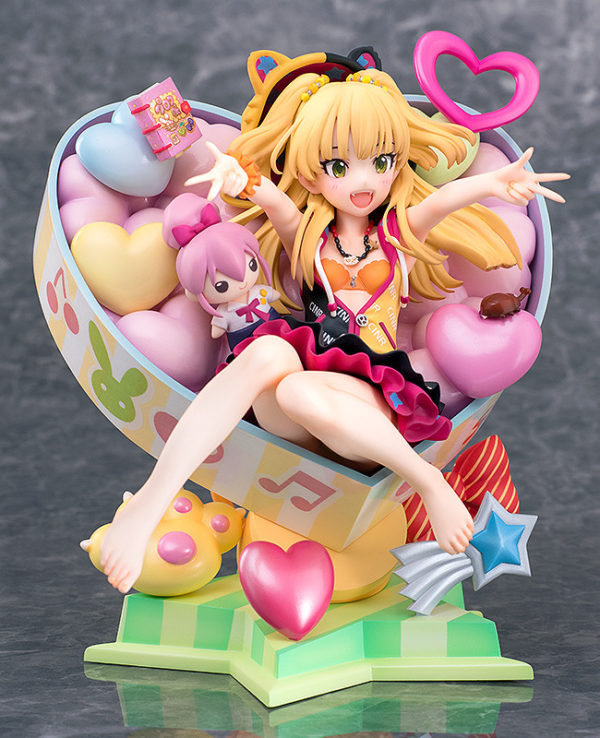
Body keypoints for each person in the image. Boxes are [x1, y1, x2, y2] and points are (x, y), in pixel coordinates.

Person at [100, 49, 568, 594]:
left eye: (381, 161)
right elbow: (265, 195)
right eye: (340, 167)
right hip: (298, 412)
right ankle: (151, 502)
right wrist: (233, 174)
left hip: (370, 404)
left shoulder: (396, 237)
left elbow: (443, 202)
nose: (363, 182)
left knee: (297, 387)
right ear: (310, 173)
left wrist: (493, 185)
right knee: (270, 356)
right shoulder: (307, 239)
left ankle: (428, 480)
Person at [162, 195, 280, 349]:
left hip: (275, 328)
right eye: (221, 286)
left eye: (251, 265)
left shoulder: (259, 292)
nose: (242, 283)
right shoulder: (225, 312)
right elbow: (216, 331)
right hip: (244, 342)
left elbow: (273, 295)